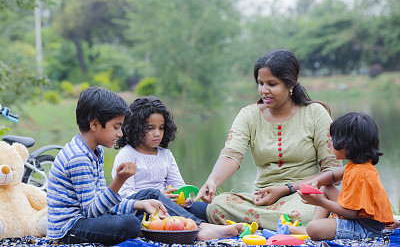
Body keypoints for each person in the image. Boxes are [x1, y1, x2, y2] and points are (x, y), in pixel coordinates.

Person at [194, 49, 343, 231]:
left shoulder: (315, 113)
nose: (264, 90)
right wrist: (213, 180)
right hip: (261, 199)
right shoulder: (249, 115)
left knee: (305, 213)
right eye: (260, 83)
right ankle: (282, 227)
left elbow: (333, 171)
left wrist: (287, 188)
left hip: (303, 197)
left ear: (290, 84)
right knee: (218, 204)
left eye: (272, 84)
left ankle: (252, 226)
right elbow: (232, 154)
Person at [46, 87, 169, 246]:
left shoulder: (96, 151)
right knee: (130, 223)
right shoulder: (78, 157)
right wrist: (119, 180)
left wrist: (140, 204)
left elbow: (101, 200)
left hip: (86, 220)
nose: (120, 134)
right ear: (95, 124)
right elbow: (91, 212)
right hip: (68, 229)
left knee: (142, 208)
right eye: (116, 127)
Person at [289, 112, 395, 240]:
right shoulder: (356, 165)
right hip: (358, 218)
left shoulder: (360, 173)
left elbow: (350, 213)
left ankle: (311, 228)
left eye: (333, 140)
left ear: (345, 144)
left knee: (314, 228)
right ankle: (312, 226)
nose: (331, 144)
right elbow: (333, 176)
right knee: (326, 188)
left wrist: (320, 202)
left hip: (366, 228)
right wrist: (316, 181)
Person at [112, 96, 207, 220]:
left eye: (161, 128)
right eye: (150, 128)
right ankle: (199, 227)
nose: (157, 133)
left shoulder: (165, 154)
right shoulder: (127, 155)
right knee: (142, 219)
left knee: (204, 209)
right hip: (143, 209)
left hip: (170, 205)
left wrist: (185, 200)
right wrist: (158, 197)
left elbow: (178, 186)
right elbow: (124, 195)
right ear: (135, 127)